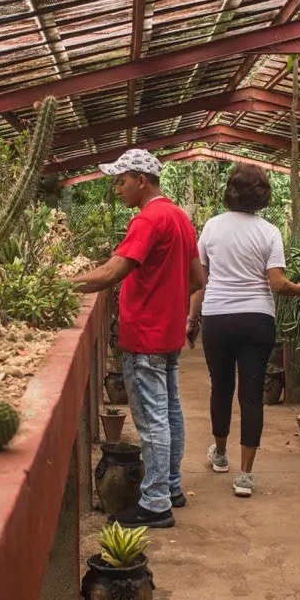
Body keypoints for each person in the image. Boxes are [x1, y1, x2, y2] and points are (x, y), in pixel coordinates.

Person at [73, 149, 205, 528]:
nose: (117, 188)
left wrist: (56, 284)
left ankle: (155, 503)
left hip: (144, 336)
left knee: (151, 421)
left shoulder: (147, 220)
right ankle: (172, 487)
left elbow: (110, 273)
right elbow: (197, 279)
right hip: (167, 335)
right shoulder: (180, 217)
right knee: (170, 413)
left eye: (121, 180)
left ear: (141, 180)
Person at [187, 165, 300, 498]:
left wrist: (192, 319)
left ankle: (220, 454)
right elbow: (276, 283)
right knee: (252, 395)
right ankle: (245, 476)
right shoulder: (269, 232)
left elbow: (200, 281)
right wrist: (299, 288)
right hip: (257, 320)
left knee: (221, 387)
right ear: (263, 195)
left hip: (218, 318)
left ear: (229, 191)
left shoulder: (212, 227)